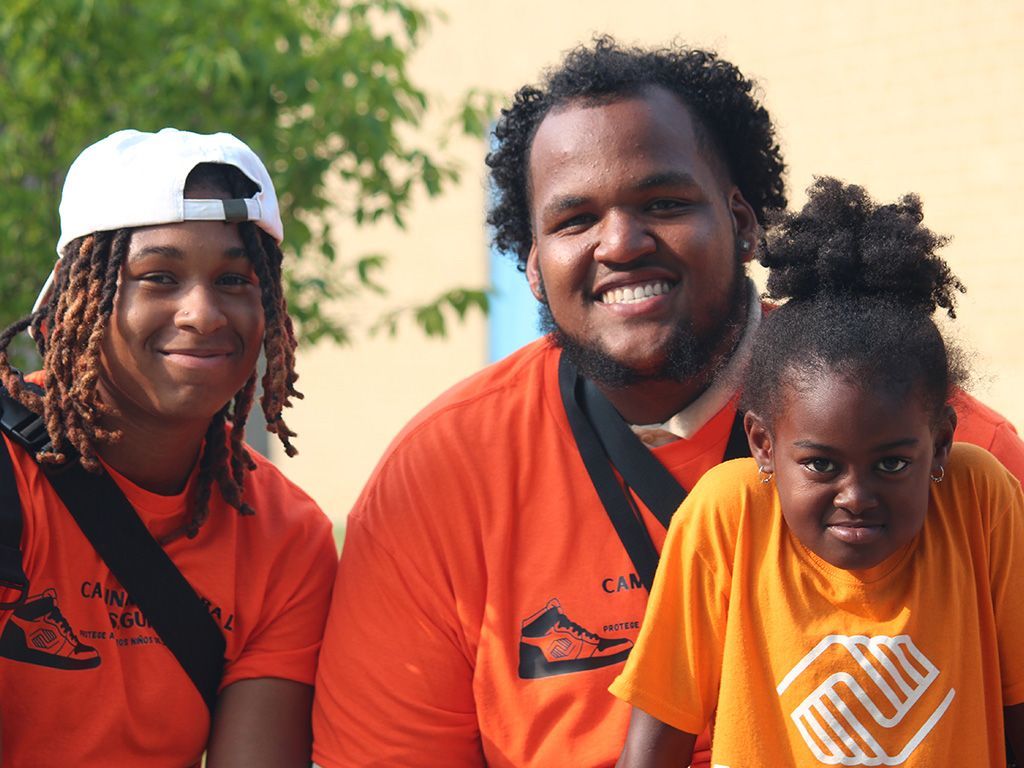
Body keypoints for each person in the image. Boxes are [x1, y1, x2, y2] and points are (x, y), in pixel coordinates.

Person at [311, 38, 1024, 767]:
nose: (621, 243)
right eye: (574, 220)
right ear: (532, 265)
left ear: (743, 221)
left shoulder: (955, 460)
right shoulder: (439, 477)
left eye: (663, 203)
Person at [611, 178, 1024, 766]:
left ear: (940, 446)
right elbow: (654, 746)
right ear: (763, 444)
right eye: (821, 464)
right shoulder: (728, 515)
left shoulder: (977, 497)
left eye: (892, 463)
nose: (856, 495)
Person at [0, 128, 337, 767]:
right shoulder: (10, 478)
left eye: (234, 279)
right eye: (158, 276)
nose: (202, 314)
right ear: (76, 295)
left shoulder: (285, 538)